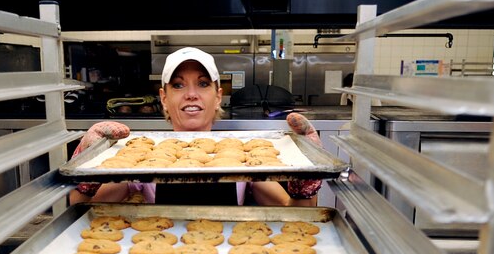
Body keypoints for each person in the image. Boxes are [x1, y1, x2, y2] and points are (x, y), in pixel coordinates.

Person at [69, 46, 324, 206]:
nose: (191, 94)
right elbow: (83, 209)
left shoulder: (243, 159)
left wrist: (308, 175)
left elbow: (296, 212)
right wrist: (86, 164)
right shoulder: (144, 161)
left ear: (218, 96)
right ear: (164, 98)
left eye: (203, 84)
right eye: (178, 85)